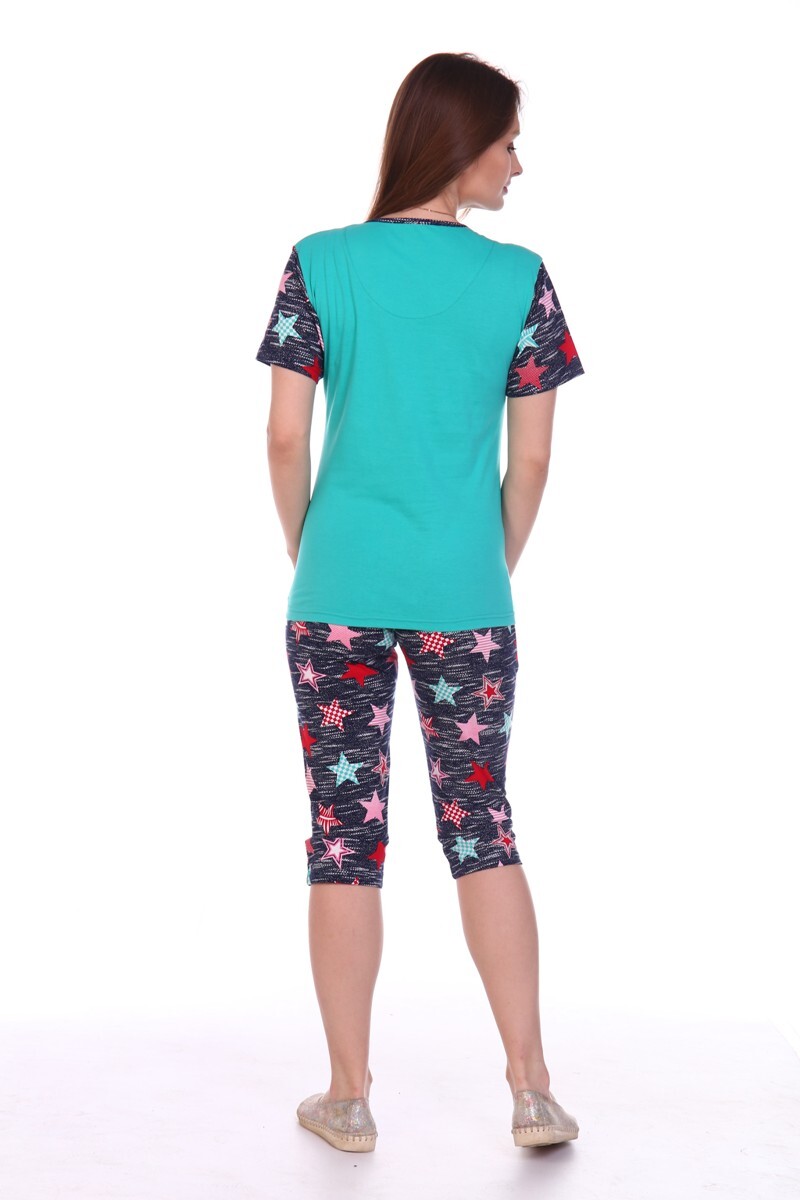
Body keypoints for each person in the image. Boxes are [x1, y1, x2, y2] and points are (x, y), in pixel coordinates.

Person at [255, 51, 585, 1153]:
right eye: (508, 144)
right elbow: (531, 463)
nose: (517, 166)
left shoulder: (317, 262)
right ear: (461, 145)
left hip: (333, 593)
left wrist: (311, 547)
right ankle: (531, 1087)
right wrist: (485, 562)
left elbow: (285, 437)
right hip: (466, 598)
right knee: (482, 826)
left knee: (342, 836)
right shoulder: (521, 279)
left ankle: (347, 1096)